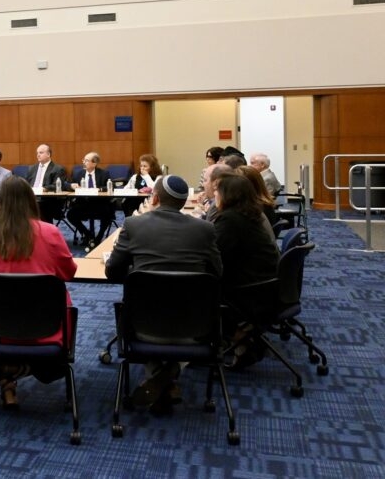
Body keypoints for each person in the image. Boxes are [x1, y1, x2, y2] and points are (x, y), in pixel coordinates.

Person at [105, 174, 222, 414]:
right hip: (195, 325)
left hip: (142, 325)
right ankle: (169, 378)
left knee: (149, 301)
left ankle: (160, 378)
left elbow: (113, 272)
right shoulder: (205, 229)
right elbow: (217, 274)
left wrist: (136, 271)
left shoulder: (134, 225)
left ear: (154, 197)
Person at [0, 178, 77, 409]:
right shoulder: (50, 233)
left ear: (0, 202)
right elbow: (68, 272)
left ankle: (5, 376)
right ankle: (22, 369)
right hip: (44, 323)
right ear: (30, 201)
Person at [212, 173, 281, 370]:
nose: (214, 195)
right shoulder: (248, 214)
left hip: (248, 290)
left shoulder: (230, 219)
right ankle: (242, 342)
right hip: (265, 284)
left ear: (228, 195)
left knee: (191, 289)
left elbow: (214, 256)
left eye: (217, 191)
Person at [67, 152, 114, 250]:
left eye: (87, 160)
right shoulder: (78, 174)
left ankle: (99, 237)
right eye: (83, 160)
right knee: (70, 214)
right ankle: (87, 234)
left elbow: (110, 186)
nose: (84, 162)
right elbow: (67, 185)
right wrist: (72, 186)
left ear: (94, 163)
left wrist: (99, 189)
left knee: (108, 213)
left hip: (99, 204)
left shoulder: (104, 173)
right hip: (83, 204)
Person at [21, 143, 66, 225]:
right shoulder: (32, 168)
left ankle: (45, 233)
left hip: (47, 200)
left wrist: (44, 189)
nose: (38, 155)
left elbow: (57, 186)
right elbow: (25, 183)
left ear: (48, 154)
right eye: (37, 153)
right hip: (31, 198)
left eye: (41, 153)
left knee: (39, 207)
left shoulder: (58, 169)